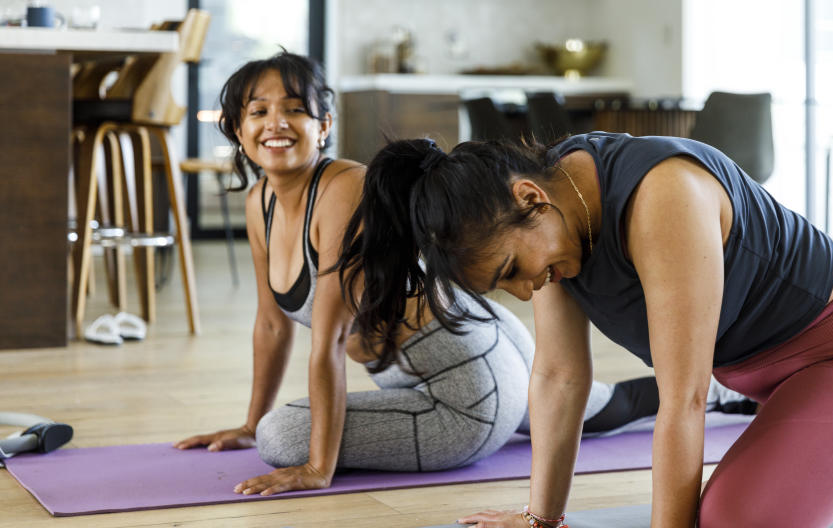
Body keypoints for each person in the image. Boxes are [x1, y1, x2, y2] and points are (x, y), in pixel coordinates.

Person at [173, 53, 741, 496]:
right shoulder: (259, 203)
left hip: (464, 376)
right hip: (478, 339)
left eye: (294, 108)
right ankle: (731, 394)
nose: (277, 122)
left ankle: (723, 394)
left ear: (323, 123)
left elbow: (328, 341)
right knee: (592, 404)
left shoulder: (342, 190)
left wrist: (317, 466)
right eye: (258, 111)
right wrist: (246, 423)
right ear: (236, 128)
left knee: (283, 436)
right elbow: (273, 325)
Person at [343, 132, 833, 528]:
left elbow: (683, 400)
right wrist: (541, 519)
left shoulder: (665, 196)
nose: (526, 290)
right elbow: (559, 378)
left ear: (530, 196)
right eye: (505, 287)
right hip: (780, 383)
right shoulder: (554, 221)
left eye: (513, 271)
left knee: (733, 522)